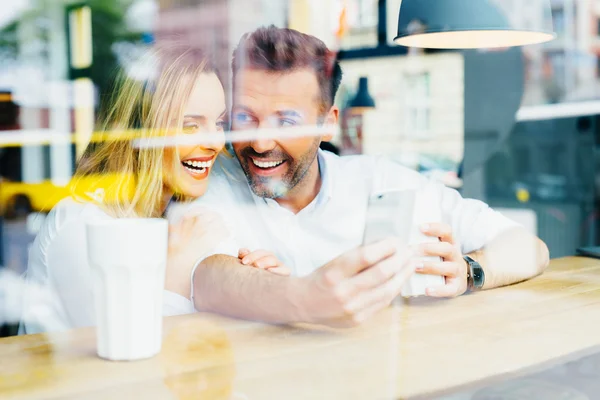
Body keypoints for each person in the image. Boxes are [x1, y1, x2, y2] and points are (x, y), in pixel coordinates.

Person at [190, 26, 550, 328]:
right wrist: (306, 298)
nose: (260, 141)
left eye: (286, 121)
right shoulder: (211, 180)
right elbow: (204, 277)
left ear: (329, 122)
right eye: (244, 118)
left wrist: (469, 272)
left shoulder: (379, 179)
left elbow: (529, 248)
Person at [20, 45, 287, 334]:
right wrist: (180, 270)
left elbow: (237, 307)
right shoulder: (81, 225)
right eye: (189, 126)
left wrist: (260, 283)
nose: (216, 142)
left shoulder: (182, 211)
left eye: (219, 122)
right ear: (140, 131)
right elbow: (127, 359)